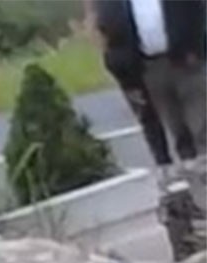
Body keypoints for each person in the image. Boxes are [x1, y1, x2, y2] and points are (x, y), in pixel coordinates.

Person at [86, 0, 206, 183]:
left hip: (187, 59)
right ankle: (188, 164)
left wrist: (196, 49)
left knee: (199, 112)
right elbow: (110, 38)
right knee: (173, 119)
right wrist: (125, 74)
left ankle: (202, 157)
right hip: (148, 65)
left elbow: (197, 12)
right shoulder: (113, 5)